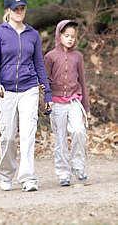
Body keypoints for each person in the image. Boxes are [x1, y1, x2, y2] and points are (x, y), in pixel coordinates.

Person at [0, 0, 53, 192]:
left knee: (28, 133)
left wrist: (47, 92)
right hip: (5, 90)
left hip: (29, 88)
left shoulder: (33, 34)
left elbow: (39, 64)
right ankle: (6, 174)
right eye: (15, 8)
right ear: (7, 11)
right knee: (7, 135)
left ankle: (27, 178)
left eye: (22, 8)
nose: (19, 11)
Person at [44, 20, 90, 187]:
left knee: (78, 131)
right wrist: (46, 101)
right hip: (56, 103)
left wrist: (86, 105)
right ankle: (63, 173)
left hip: (74, 101)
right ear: (59, 36)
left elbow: (82, 81)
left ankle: (78, 166)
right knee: (60, 138)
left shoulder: (77, 56)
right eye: (66, 36)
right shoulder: (50, 57)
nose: (70, 39)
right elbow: (45, 81)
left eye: (73, 36)